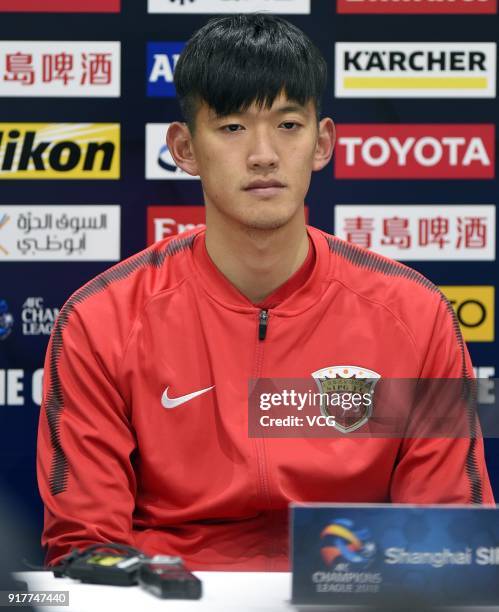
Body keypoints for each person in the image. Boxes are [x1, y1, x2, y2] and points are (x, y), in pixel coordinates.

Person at [37, 13, 494, 572]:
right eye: (231, 127)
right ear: (184, 148)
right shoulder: (100, 318)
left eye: (287, 125)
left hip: (350, 597)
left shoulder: (415, 315)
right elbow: (87, 545)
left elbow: (447, 537)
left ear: (322, 143)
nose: (263, 155)